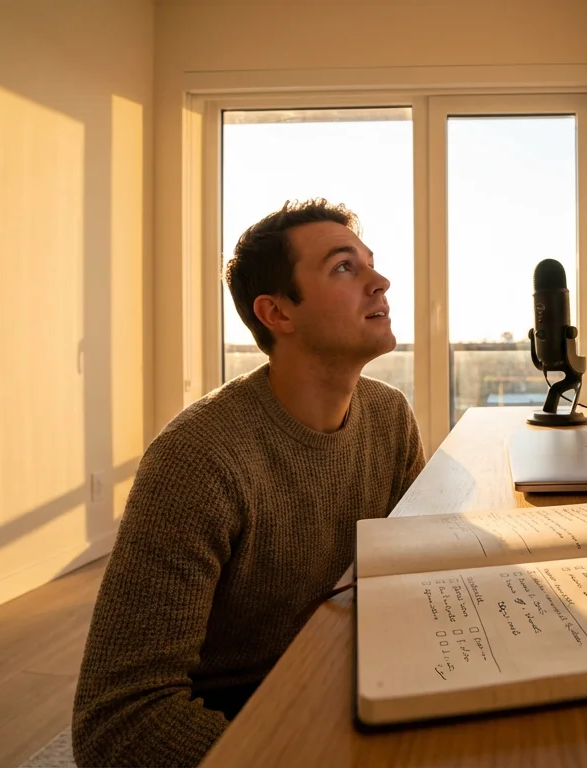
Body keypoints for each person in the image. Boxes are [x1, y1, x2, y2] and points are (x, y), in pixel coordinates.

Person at [72, 199, 425, 767]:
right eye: (344, 267)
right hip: (241, 722)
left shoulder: (388, 416)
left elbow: (408, 578)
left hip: (348, 681)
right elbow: (118, 724)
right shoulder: (197, 458)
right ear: (277, 313)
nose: (380, 282)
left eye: (370, 263)